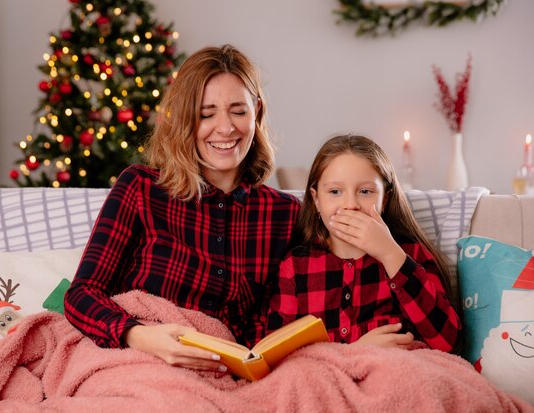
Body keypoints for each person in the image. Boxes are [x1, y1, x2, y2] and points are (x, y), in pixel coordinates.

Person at [64, 44, 300, 373]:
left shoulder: (285, 214)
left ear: (256, 111)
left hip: (229, 374)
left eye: (238, 110)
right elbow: (82, 295)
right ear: (183, 118)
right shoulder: (140, 187)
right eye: (206, 114)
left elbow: (291, 318)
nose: (226, 127)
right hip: (139, 360)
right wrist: (139, 335)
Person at [267, 134, 461, 353]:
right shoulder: (295, 266)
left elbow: (448, 343)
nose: (350, 204)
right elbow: (277, 355)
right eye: (334, 192)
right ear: (316, 200)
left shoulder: (410, 255)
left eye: (365, 192)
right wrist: (354, 351)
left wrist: (390, 254)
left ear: (385, 199)